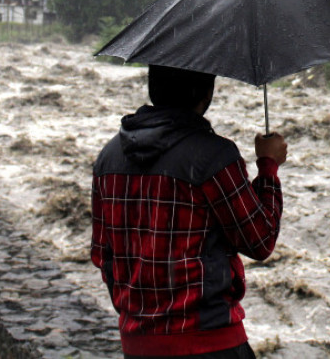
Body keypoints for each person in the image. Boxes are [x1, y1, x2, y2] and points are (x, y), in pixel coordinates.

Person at [92, 65, 287, 359]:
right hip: (211, 342)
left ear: (153, 88)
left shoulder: (108, 158)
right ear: (205, 93)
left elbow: (102, 254)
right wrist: (268, 166)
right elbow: (260, 240)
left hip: (138, 345)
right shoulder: (214, 157)